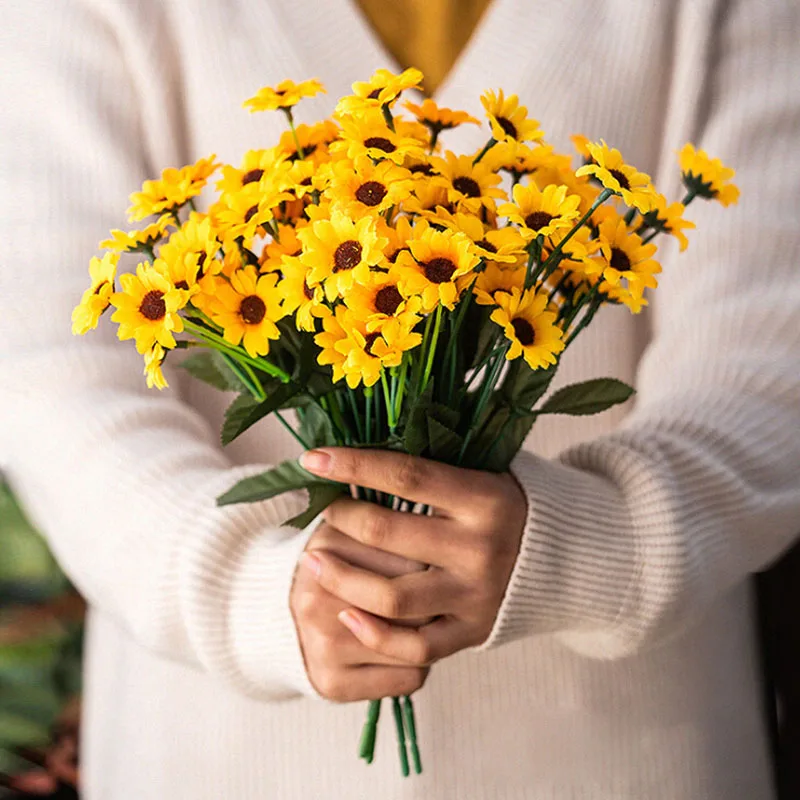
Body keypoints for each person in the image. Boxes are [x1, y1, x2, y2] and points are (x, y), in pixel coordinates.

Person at [2, 0, 799, 798]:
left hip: (621, 756)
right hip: (227, 759)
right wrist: (251, 593)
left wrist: (586, 545)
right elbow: (47, 364)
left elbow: (770, 361)